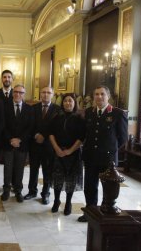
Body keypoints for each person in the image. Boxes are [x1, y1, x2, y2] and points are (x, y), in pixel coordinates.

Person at [78, 86, 128, 222]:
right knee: (89, 187)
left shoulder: (117, 113)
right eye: (96, 94)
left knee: (108, 188)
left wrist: (111, 148)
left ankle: (105, 211)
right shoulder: (89, 112)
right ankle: (90, 212)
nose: (99, 97)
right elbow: (85, 134)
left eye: (102, 94)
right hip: (91, 157)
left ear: (108, 96)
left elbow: (123, 137)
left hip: (108, 159)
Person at [49, 93, 85, 215]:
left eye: (70, 101)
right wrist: (57, 149)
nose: (67, 103)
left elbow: (81, 138)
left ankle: (68, 202)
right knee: (57, 178)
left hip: (73, 153)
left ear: (74, 103)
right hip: (58, 152)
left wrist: (70, 151)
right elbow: (51, 134)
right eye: (65, 101)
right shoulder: (56, 117)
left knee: (71, 179)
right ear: (62, 103)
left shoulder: (79, 119)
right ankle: (56, 200)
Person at [25, 86, 61, 205]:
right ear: (40, 94)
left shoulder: (57, 109)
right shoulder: (33, 108)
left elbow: (56, 128)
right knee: (33, 170)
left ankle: (45, 194)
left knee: (47, 171)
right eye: (43, 92)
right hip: (34, 144)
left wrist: (44, 136)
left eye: (48, 93)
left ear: (52, 95)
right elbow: (29, 125)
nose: (45, 94)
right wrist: (36, 135)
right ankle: (32, 191)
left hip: (49, 145)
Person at [1, 85, 33, 203]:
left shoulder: (29, 109)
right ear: (12, 93)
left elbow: (30, 128)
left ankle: (18, 191)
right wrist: (11, 139)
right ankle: (6, 190)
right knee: (7, 169)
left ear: (24, 94)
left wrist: (19, 140)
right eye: (16, 92)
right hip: (8, 143)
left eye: (21, 92)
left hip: (22, 145)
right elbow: (3, 126)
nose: (18, 94)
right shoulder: (5, 107)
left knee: (19, 169)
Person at [0, 70, 14, 188]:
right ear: (1, 79)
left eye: (9, 77)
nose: (7, 79)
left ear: (12, 79)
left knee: (10, 162)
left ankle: (10, 184)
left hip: (10, 133)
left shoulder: (17, 93)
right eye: (5, 77)